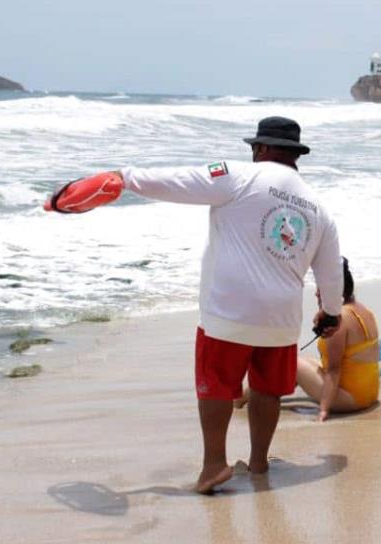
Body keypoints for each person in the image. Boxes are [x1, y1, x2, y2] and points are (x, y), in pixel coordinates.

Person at [116, 117, 344, 493]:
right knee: (268, 390)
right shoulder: (319, 208)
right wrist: (332, 312)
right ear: (295, 155)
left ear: (259, 148)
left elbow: (177, 182)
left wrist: (125, 177)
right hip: (281, 320)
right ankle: (257, 462)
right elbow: (331, 272)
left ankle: (214, 466)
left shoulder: (237, 176)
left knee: (217, 385)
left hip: (229, 313)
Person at [298, 258, 380, 421]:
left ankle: (242, 398)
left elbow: (334, 371)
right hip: (369, 394)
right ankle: (261, 395)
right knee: (305, 363)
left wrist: (323, 411)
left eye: (320, 288)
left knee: (289, 363)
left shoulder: (340, 320)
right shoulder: (364, 310)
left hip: (350, 399)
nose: (316, 293)